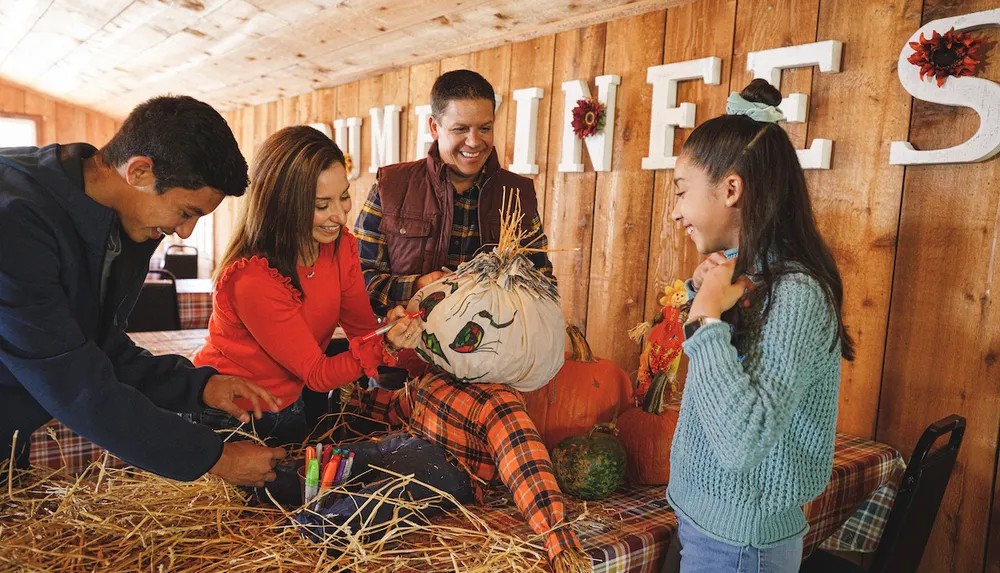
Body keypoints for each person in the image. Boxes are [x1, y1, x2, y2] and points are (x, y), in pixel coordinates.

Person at [0, 95, 286, 487]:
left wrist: (199, 386)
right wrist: (214, 457)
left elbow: (97, 348)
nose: (185, 233)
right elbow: (73, 382)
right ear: (139, 172)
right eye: (187, 213)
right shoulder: (15, 219)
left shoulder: (118, 224)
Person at [666, 79, 855, 573]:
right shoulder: (748, 277)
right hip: (714, 530)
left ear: (731, 189)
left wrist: (706, 319)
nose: (675, 211)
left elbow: (743, 442)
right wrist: (705, 300)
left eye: (681, 191)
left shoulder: (796, 292)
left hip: (740, 546)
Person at [192, 126, 422, 445]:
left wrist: (388, 331)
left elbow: (362, 330)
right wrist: (386, 345)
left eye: (343, 197)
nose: (340, 216)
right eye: (321, 205)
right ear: (282, 205)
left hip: (288, 403)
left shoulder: (341, 247)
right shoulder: (252, 278)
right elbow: (318, 374)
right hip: (230, 415)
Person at [354, 69, 554, 316]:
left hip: (494, 351)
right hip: (404, 347)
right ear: (434, 127)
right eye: (460, 129)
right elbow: (355, 280)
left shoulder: (518, 194)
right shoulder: (391, 186)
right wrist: (416, 287)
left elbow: (543, 283)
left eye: (484, 128)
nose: (474, 141)